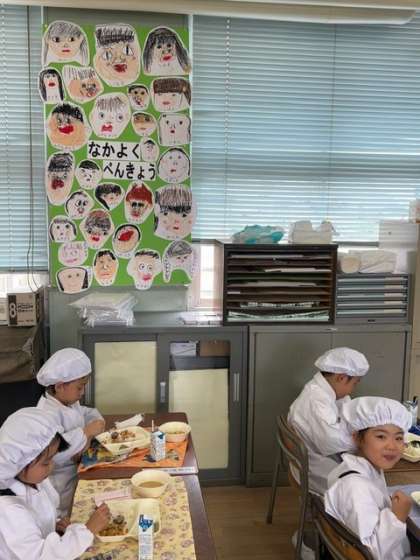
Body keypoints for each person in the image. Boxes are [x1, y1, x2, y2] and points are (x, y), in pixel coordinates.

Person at [0, 407, 110, 559]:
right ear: (20, 463)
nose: (52, 466)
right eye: (46, 462)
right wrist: (88, 530)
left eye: (52, 458)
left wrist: (56, 525)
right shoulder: (9, 509)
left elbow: (45, 514)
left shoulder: (36, 482)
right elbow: (41, 555)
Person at [325, 397, 419, 560]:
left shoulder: (364, 468)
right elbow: (371, 553)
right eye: (381, 436)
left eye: (398, 438)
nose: (392, 446)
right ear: (357, 438)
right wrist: (397, 517)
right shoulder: (355, 488)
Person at [288, 347, 369, 495]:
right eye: (355, 383)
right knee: (363, 485)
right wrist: (365, 440)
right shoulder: (316, 399)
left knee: (368, 473)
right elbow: (332, 442)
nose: (353, 389)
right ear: (341, 378)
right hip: (313, 466)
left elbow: (348, 410)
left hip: (319, 456)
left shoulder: (324, 390)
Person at [37, 348, 105, 516]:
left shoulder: (68, 401)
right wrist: (86, 433)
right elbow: (54, 453)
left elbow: (87, 413)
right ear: (60, 386)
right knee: (72, 517)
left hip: (79, 473)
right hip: (61, 487)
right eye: (80, 387)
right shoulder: (46, 414)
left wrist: (97, 422)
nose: (82, 393)